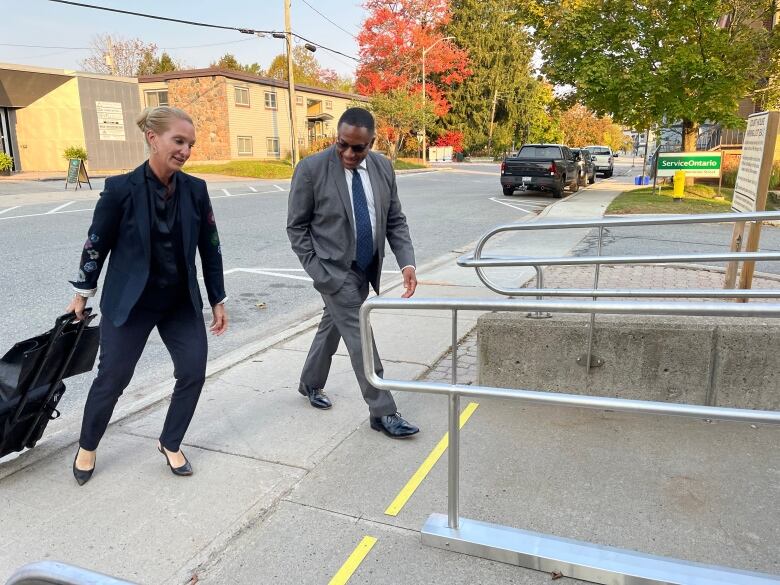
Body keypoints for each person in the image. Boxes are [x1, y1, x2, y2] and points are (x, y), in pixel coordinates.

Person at [66, 106, 228, 485]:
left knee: (193, 371)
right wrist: (82, 293)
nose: (186, 150)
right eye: (178, 141)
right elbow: (96, 243)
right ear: (153, 139)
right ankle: (87, 445)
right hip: (130, 304)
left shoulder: (196, 190)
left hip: (178, 303)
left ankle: (170, 442)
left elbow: (212, 246)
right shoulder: (121, 189)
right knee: (113, 378)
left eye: (190, 144)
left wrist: (217, 298)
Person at [287, 107, 419, 439]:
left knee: (331, 328)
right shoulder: (311, 170)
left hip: (366, 267)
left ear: (372, 142)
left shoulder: (383, 167)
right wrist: (319, 272)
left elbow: (394, 219)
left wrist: (407, 263)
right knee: (360, 334)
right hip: (334, 271)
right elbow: (297, 227)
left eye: (358, 148)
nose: (348, 153)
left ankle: (309, 383)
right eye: (342, 144)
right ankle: (383, 411)